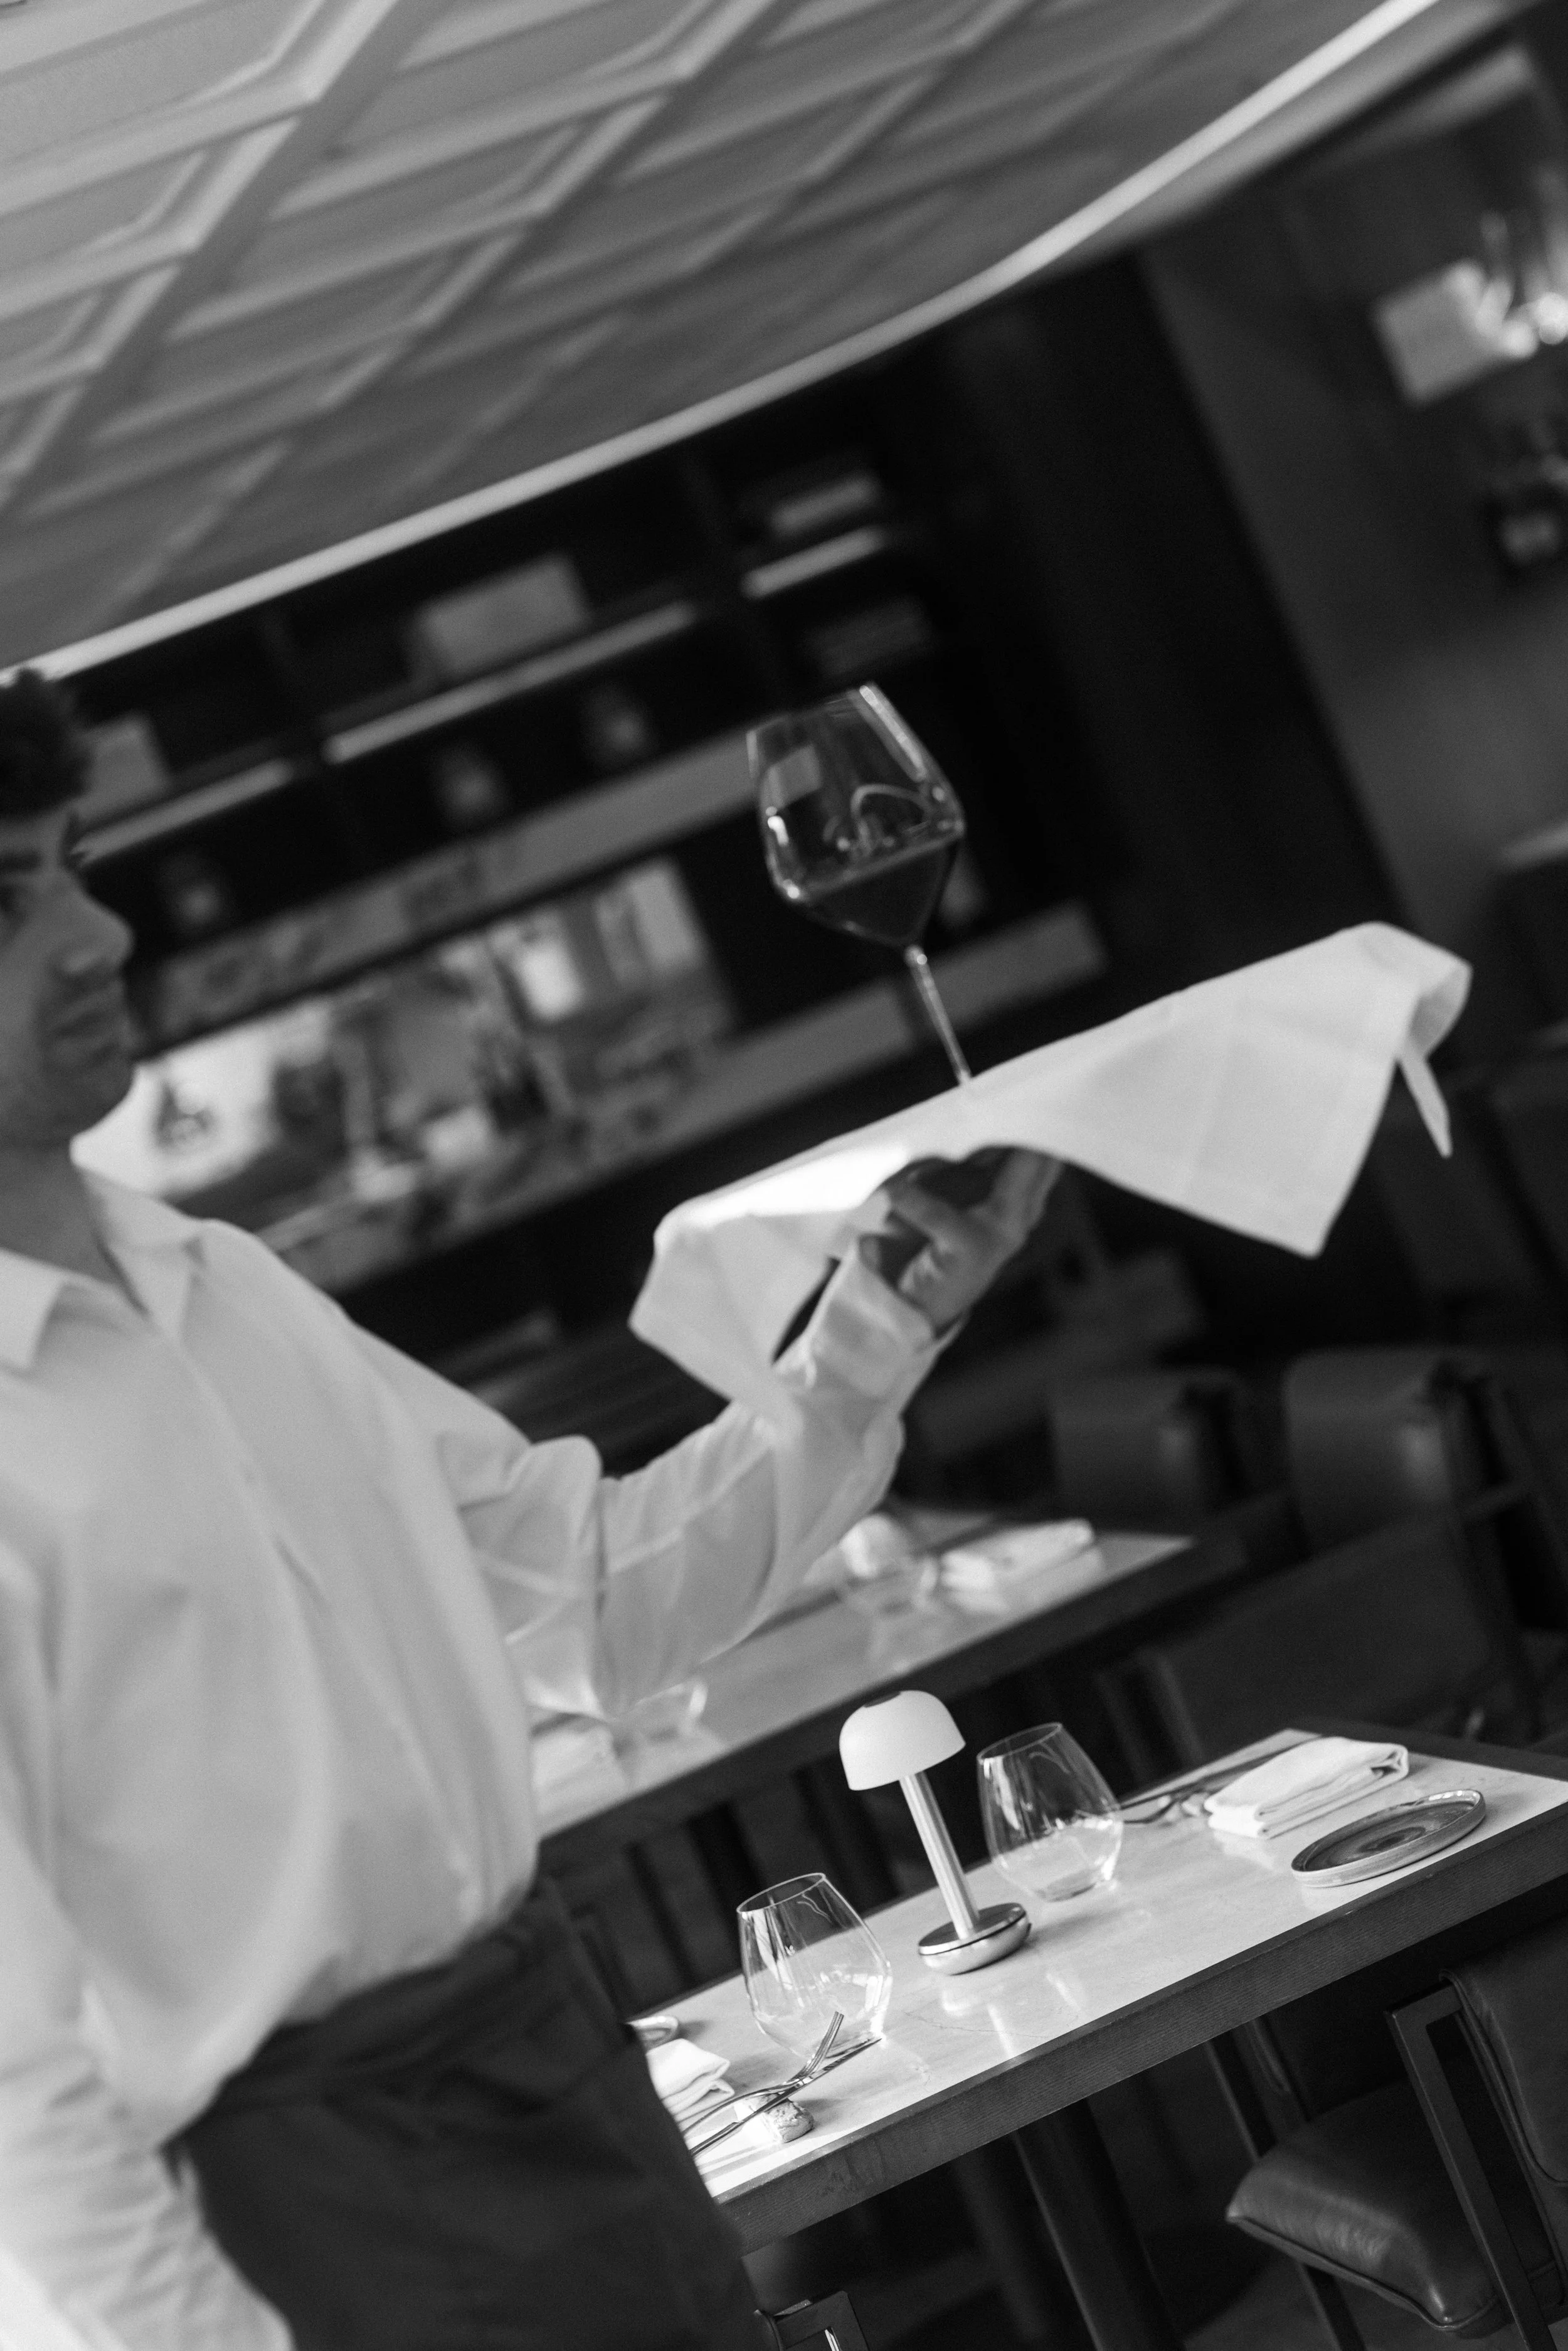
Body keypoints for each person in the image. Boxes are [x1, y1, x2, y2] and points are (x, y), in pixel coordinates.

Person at [0, 669, 1056, 2351]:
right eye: (8, 896)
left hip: (566, 2079)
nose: (97, 931)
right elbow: (13, 2100)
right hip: (298, 2223)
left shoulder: (232, 1286)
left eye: (68, 860)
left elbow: (590, 1599)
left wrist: (870, 1329)